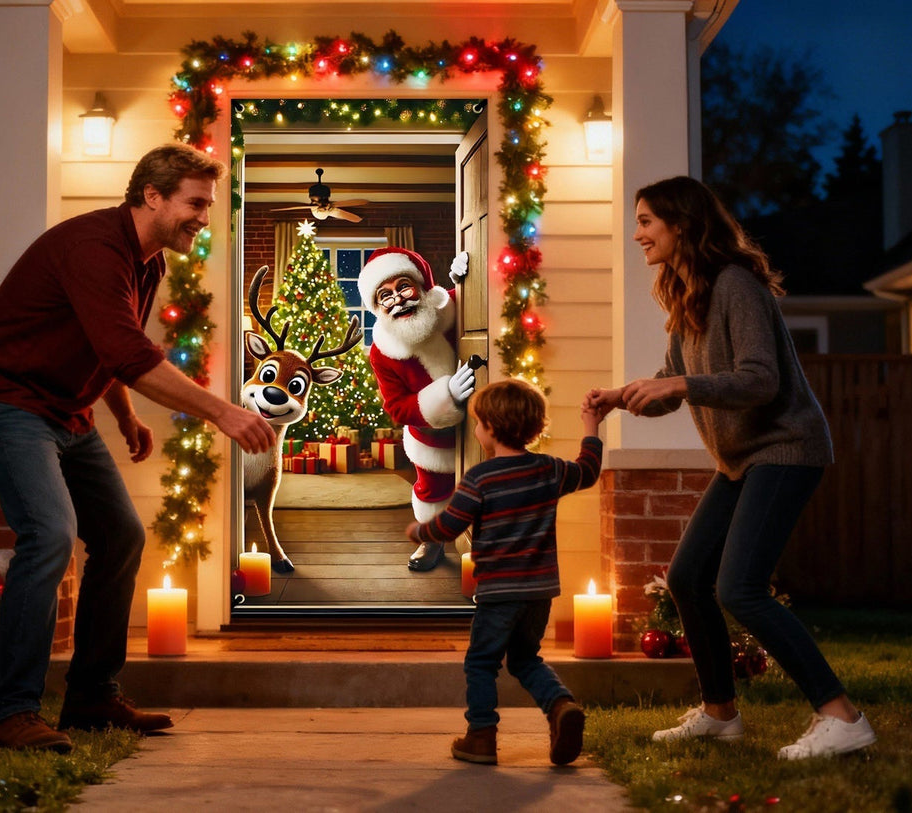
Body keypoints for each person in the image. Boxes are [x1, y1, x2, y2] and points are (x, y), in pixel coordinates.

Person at [0, 143, 276, 753]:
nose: (204, 216)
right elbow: (129, 353)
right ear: (152, 196)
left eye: (207, 204)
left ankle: (92, 695)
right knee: (48, 535)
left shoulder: (146, 260)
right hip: (8, 400)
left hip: (65, 409)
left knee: (121, 536)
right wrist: (225, 413)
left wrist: (123, 415)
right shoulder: (95, 248)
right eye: (195, 203)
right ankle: (12, 713)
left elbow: (107, 346)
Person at [584, 175, 876, 760]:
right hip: (742, 459)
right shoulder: (684, 295)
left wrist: (682, 382)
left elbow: (759, 380)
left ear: (682, 224)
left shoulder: (736, 286)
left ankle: (841, 715)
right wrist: (625, 395)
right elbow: (677, 386)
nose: (637, 234)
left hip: (785, 448)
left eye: (646, 222)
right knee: (689, 579)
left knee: (739, 589)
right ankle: (720, 713)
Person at [406, 379, 603, 765]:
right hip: (540, 592)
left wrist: (419, 530)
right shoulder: (549, 470)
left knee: (481, 663)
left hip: (499, 594)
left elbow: (447, 526)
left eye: (479, 422)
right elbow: (589, 470)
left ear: (492, 428)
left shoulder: (480, 479)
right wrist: (590, 426)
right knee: (526, 659)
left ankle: (481, 736)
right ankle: (561, 706)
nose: (477, 429)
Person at [360, 247, 476, 571]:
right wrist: (445, 395)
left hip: (483, 420)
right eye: (385, 295)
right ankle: (433, 539)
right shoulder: (382, 352)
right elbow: (396, 407)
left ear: (423, 285)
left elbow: (479, 297)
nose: (397, 299)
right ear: (377, 306)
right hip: (430, 437)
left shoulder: (451, 306)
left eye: (403, 287)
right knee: (431, 490)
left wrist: (468, 280)